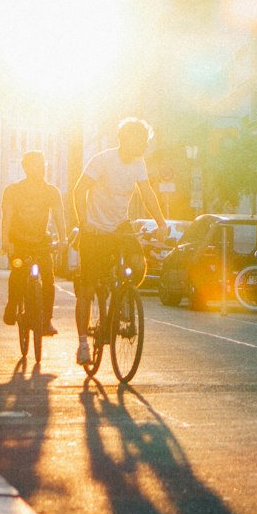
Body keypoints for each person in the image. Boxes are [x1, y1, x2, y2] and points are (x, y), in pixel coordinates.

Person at [72, 117, 169, 365]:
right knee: (87, 289)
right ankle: (83, 343)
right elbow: (79, 190)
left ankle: (123, 298)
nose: (144, 146)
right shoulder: (103, 160)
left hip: (119, 225)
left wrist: (161, 223)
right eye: (141, 141)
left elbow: (147, 193)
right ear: (125, 140)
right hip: (94, 229)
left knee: (138, 264)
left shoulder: (138, 163)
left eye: (145, 142)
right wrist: (84, 223)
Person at [0, 150, 67, 335]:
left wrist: (63, 239)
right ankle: (12, 304)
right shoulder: (13, 191)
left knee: (48, 279)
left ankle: (46, 320)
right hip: (18, 240)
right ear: (26, 168)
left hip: (41, 241)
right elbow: (7, 217)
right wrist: (5, 241)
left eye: (43, 165)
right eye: (36, 166)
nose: (41, 169)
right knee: (18, 272)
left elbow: (59, 217)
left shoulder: (51, 192)